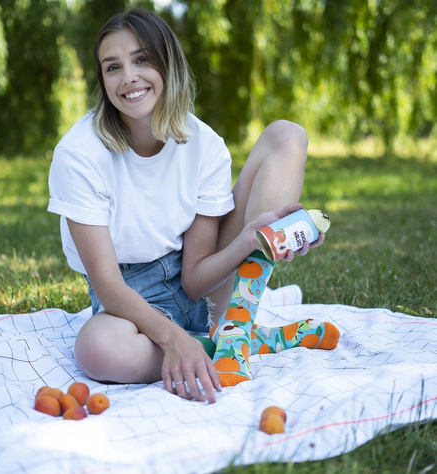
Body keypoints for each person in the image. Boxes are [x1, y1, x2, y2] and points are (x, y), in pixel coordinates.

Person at [48, 7, 338, 405]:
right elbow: (109, 286)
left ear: (169, 63)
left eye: (142, 59)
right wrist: (175, 341)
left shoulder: (204, 144)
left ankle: (235, 323)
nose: (128, 76)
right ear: (102, 79)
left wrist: (252, 241)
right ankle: (229, 345)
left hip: (205, 287)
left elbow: (195, 279)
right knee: (98, 350)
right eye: (112, 67)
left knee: (286, 135)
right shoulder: (78, 154)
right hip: (130, 305)